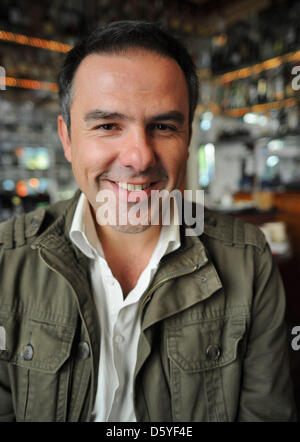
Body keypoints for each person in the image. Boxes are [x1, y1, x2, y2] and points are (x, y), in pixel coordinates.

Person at [0, 20, 296, 422]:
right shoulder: (6, 259)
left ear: (187, 138)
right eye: (108, 126)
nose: (139, 158)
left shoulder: (248, 260)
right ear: (67, 138)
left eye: (163, 126)